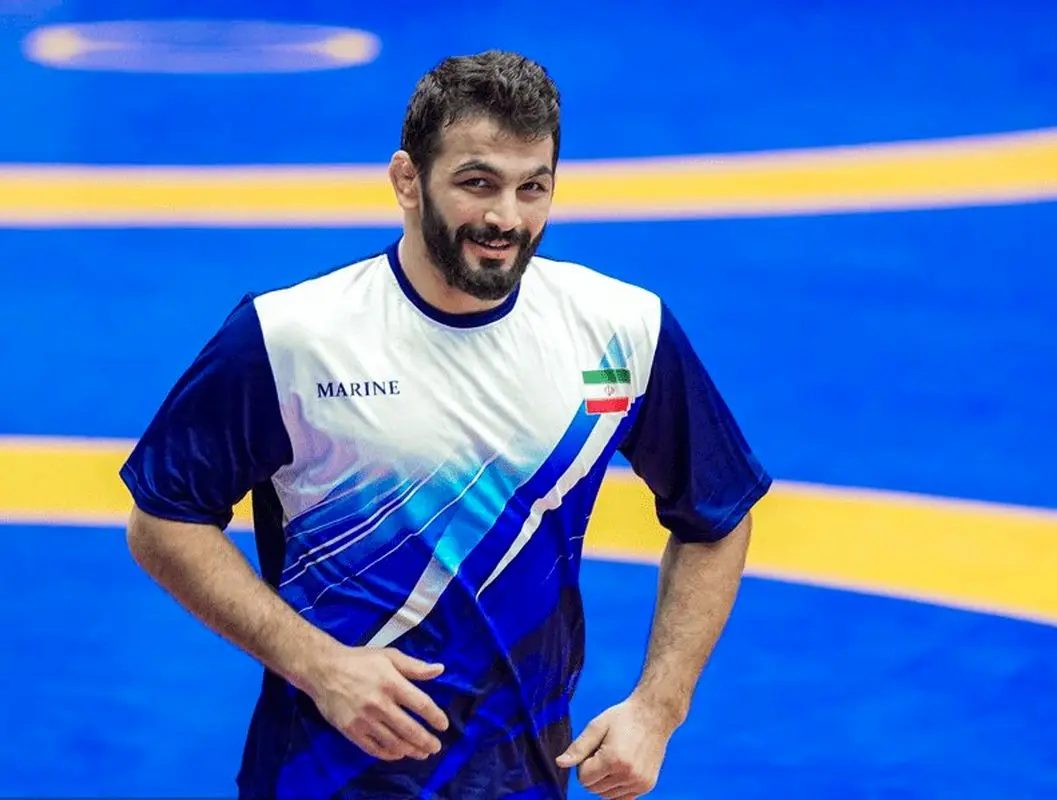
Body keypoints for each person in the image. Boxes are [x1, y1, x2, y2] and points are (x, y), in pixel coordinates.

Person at [120, 49, 772, 800]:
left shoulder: (620, 332)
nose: (506, 219)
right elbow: (162, 520)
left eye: (533, 188)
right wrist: (318, 664)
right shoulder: (291, 339)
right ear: (407, 180)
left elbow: (717, 513)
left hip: (524, 781)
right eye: (477, 183)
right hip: (324, 779)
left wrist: (659, 707)